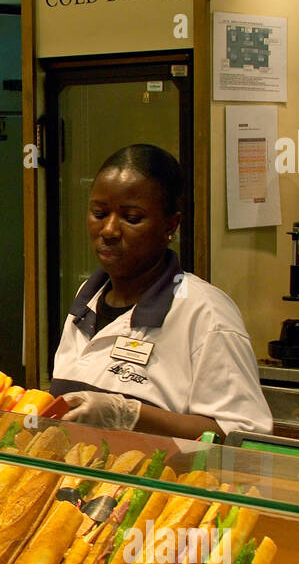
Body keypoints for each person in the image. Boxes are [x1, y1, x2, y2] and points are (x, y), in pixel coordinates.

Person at [52, 144, 272, 440]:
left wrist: (131, 415)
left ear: (170, 226)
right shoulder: (85, 300)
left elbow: (243, 436)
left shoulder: (205, 312)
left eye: (131, 218)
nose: (109, 230)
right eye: (99, 213)